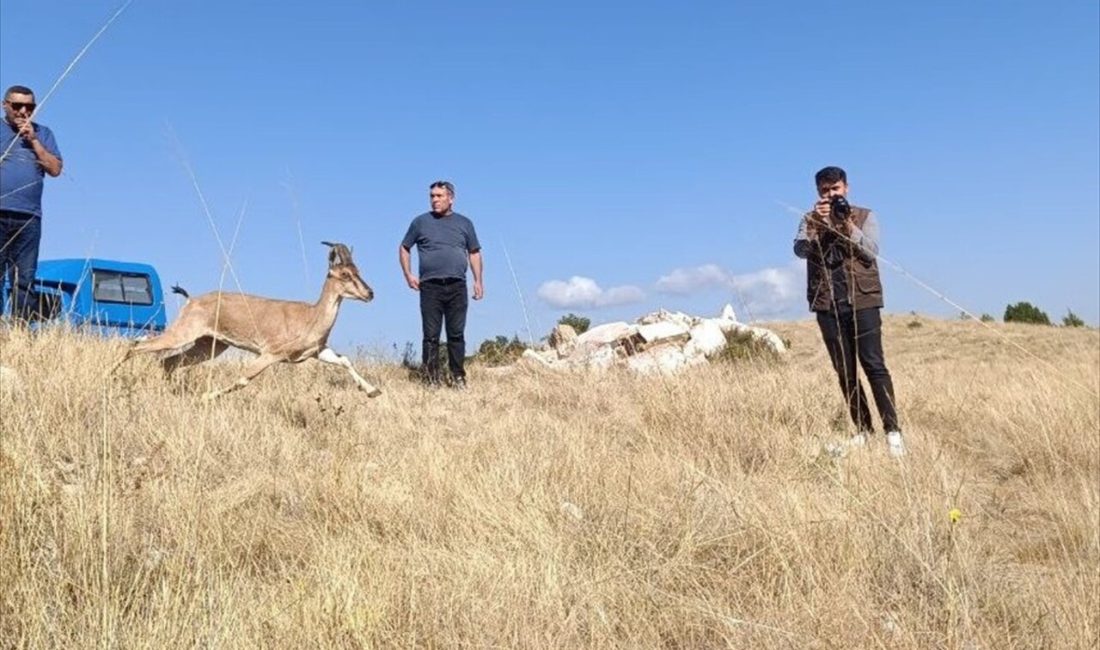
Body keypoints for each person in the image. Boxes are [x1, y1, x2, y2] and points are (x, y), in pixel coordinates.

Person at [793, 166, 905, 457]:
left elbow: (870, 251)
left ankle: (892, 432)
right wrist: (816, 224)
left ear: (846, 188)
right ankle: (863, 431)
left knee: (874, 366)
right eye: (824, 191)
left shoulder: (865, 216)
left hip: (863, 300)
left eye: (835, 189)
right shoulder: (809, 219)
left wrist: (845, 224)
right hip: (827, 304)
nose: (830, 195)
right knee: (845, 371)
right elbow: (800, 250)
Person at [399, 180, 483, 387]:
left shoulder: (465, 223)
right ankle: (430, 379)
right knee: (431, 336)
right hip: (430, 286)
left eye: (439, 196)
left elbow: (474, 252)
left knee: (456, 334)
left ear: (451, 198)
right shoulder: (420, 222)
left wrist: (478, 281)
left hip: (457, 285)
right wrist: (408, 274)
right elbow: (404, 247)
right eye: (432, 196)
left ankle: (458, 377)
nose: (435, 200)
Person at [1, 85, 63, 322]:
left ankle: (20, 328)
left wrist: (34, 140)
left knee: (24, 278)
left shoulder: (43, 133)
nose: (23, 111)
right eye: (17, 106)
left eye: (29, 106)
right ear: (5, 105)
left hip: (28, 216)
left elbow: (55, 169)